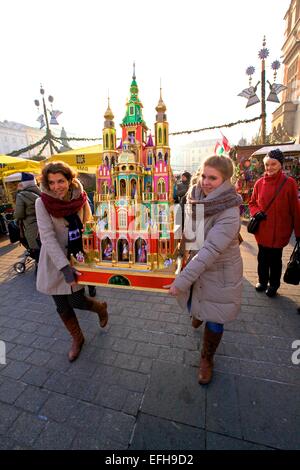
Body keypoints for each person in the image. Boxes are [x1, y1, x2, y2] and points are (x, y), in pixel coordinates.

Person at [165, 156, 243, 385]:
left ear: (226, 180)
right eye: (204, 176)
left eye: (213, 178)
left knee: (216, 319)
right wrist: (178, 253)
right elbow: (191, 235)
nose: (206, 182)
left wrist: (180, 282)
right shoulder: (195, 197)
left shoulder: (229, 211)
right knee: (195, 306)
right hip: (195, 265)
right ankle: (198, 315)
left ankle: (207, 358)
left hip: (220, 272)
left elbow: (209, 251)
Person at [35, 161, 109, 362]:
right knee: (61, 306)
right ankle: (77, 338)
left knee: (77, 300)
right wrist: (63, 267)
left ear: (70, 180)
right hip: (54, 261)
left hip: (77, 258)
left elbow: (89, 225)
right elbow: (47, 237)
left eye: (61, 181)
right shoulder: (42, 203)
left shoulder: (81, 199)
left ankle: (100, 308)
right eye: (51, 182)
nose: (56, 186)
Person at [249, 148, 300, 297]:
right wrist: (256, 212)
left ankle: (274, 285)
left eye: (273, 164)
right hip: (262, 230)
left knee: (275, 260)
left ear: (281, 165)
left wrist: (298, 233)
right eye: (267, 165)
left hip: (280, 231)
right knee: (262, 257)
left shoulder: (289, 183)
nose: (269, 168)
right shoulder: (259, 183)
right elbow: (252, 203)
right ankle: (262, 281)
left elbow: (295, 210)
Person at [14, 173, 41, 262]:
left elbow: (19, 214)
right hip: (44, 224)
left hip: (31, 227)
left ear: (23, 183)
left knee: (37, 252)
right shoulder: (41, 192)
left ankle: (40, 272)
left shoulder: (21, 195)